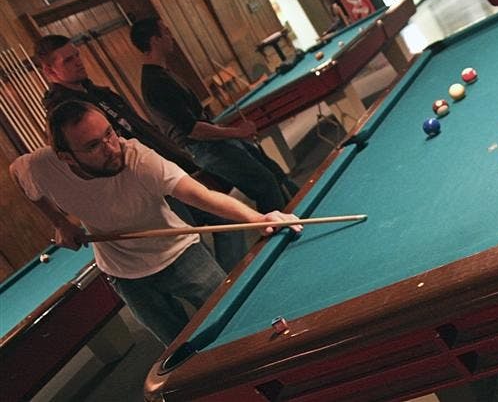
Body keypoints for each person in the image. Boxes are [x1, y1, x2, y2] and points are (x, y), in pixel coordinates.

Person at [9, 100, 303, 345]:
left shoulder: (140, 159)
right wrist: (60, 222)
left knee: (239, 324)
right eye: (93, 146)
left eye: (110, 134)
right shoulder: (41, 166)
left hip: (180, 253)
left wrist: (258, 218)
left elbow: (200, 195)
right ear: (66, 157)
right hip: (125, 274)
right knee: (180, 352)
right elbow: (18, 175)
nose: (111, 147)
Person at [34, 34, 246, 271]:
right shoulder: (63, 112)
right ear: (50, 71)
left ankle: (230, 279)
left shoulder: (99, 93)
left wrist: (178, 158)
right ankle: (228, 285)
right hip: (141, 184)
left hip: (159, 167)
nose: (78, 62)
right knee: (193, 244)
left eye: (77, 55)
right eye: (68, 60)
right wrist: (61, 222)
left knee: (218, 225)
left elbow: (140, 131)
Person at [129, 18, 299, 214]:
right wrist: (237, 132)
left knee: (273, 173)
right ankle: (279, 230)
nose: (171, 36)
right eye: (166, 32)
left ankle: (299, 212)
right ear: (154, 40)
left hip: (210, 145)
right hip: (204, 148)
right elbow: (194, 130)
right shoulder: (156, 82)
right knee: (265, 184)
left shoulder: (163, 74)